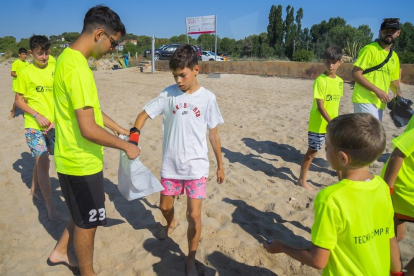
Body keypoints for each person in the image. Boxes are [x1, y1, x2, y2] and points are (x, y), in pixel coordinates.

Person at [47, 6, 139, 276]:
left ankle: (61, 251)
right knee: (89, 222)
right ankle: (88, 273)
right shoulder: (78, 70)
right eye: (113, 42)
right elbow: (88, 128)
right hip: (80, 162)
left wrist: (120, 129)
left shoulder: (65, 58)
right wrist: (125, 146)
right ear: (99, 33)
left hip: (69, 156)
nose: (113, 49)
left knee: (79, 212)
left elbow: (90, 111)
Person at [264, 113, 402, 275]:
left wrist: (282, 247)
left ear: (343, 158)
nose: (325, 150)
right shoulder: (382, 187)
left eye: (327, 147)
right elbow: (390, 239)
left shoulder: (330, 198)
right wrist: (398, 272)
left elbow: (318, 260)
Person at [130, 44, 225, 276]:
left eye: (182, 74)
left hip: (196, 167)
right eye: (175, 76)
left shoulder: (208, 98)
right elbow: (143, 114)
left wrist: (220, 165)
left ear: (196, 70)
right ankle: (170, 223)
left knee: (194, 215)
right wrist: (134, 136)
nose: (179, 80)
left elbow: (213, 134)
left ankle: (190, 258)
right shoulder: (168, 94)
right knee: (164, 206)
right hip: (171, 166)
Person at [14, 36, 60, 220]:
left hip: (54, 125)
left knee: (42, 160)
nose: (44, 57)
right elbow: (19, 101)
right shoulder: (25, 73)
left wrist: (56, 120)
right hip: (33, 125)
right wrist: (36, 115)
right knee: (44, 161)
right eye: (40, 53)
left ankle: (33, 189)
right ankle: (50, 207)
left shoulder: (55, 68)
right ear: (31, 53)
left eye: (47, 53)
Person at [297, 47, 343, 191]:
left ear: (340, 63)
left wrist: (336, 122)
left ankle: (342, 182)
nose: (331, 65)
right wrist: (333, 123)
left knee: (337, 153)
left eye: (334, 62)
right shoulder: (320, 81)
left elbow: (335, 105)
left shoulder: (340, 82)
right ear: (324, 61)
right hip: (319, 125)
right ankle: (301, 180)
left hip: (333, 124)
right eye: (328, 62)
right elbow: (321, 107)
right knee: (312, 152)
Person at [352, 18, 402, 121]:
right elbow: (356, 73)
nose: (389, 33)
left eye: (392, 31)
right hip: (364, 99)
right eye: (386, 31)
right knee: (371, 135)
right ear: (380, 32)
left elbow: (393, 80)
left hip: (380, 102)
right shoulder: (369, 49)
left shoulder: (394, 57)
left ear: (398, 33)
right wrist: (377, 91)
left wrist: (398, 90)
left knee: (371, 135)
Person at [382, 115, 414, 275]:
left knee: (395, 236)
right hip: (405, 189)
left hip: (403, 188)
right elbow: (398, 153)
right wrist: (387, 190)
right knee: (391, 235)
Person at [10, 47, 29, 119]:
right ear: (19, 55)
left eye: (26, 54)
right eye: (23, 54)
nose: (25, 56)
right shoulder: (16, 62)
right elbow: (12, 73)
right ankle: (13, 112)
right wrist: (20, 76)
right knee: (17, 101)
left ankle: (26, 114)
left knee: (26, 100)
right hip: (17, 85)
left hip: (26, 84)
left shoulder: (27, 63)